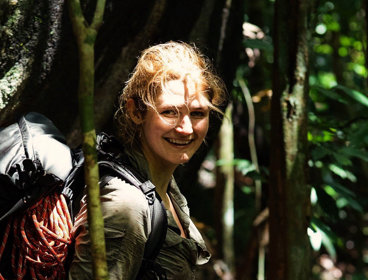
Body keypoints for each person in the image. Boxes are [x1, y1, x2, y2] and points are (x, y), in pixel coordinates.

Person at [68, 41, 226, 280]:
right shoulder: (126, 205)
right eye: (169, 112)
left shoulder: (165, 189)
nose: (185, 128)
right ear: (136, 112)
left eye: (197, 113)